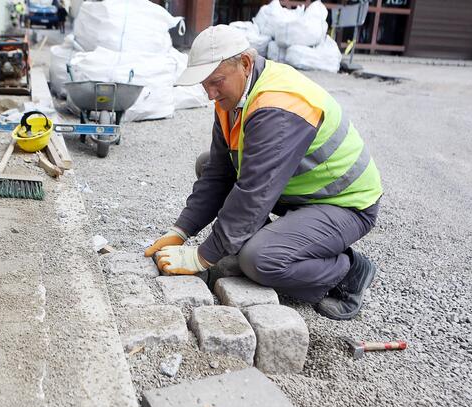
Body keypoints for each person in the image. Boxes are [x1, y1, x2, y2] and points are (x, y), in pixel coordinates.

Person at [145, 25, 383, 320]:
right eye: (204, 84)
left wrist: (202, 256)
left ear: (244, 64)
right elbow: (219, 173)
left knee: (259, 259)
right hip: (299, 192)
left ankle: (347, 271)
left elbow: (254, 193)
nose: (209, 94)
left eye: (216, 82)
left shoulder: (278, 106)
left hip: (345, 203)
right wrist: (180, 231)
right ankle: (273, 237)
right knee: (207, 163)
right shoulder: (233, 97)